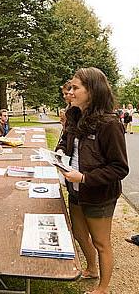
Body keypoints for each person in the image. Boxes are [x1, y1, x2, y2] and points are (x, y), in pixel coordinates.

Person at [56, 67, 129, 294]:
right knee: (79, 233)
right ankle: (92, 268)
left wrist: (85, 177)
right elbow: (66, 141)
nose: (70, 91)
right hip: (76, 189)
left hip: (98, 194)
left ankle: (103, 288)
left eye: (75, 88)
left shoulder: (110, 124)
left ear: (92, 91)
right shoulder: (74, 116)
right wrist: (58, 153)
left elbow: (119, 168)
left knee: (101, 242)